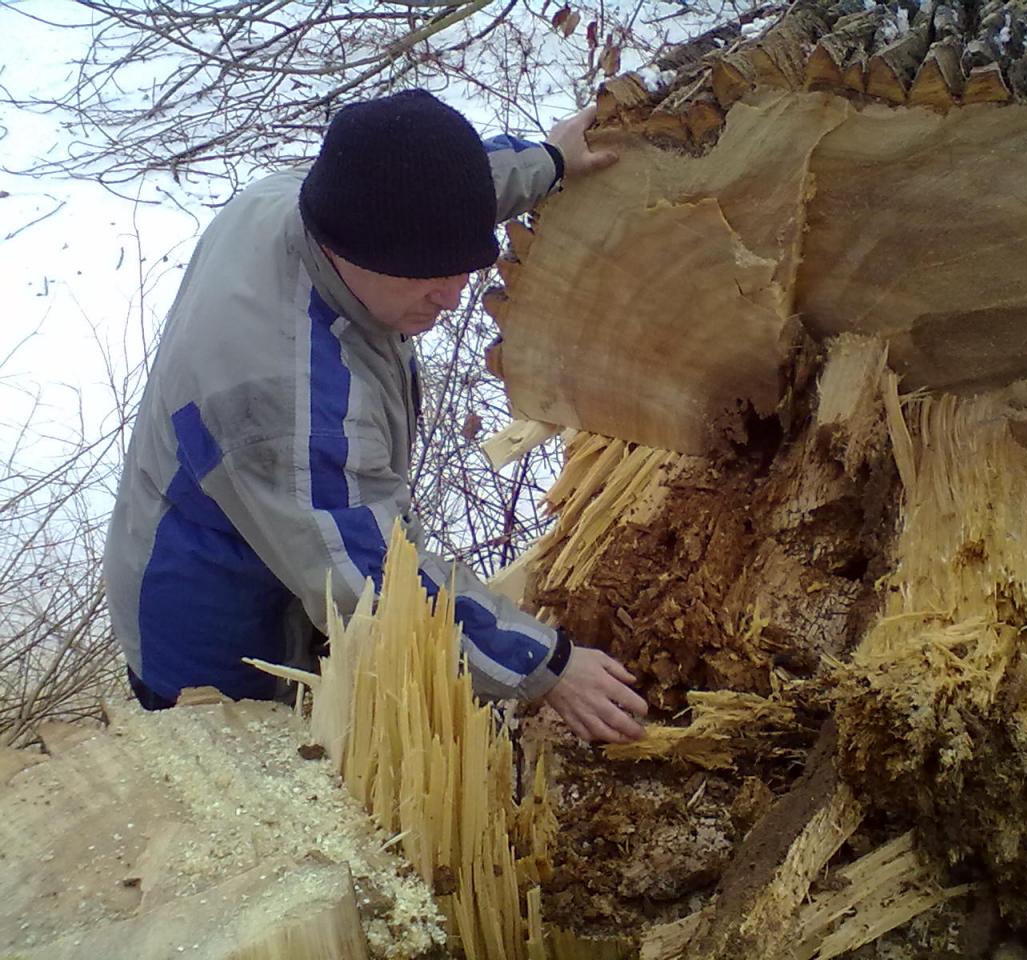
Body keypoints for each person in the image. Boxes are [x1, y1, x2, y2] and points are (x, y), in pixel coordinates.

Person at [103, 90, 648, 743]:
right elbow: (374, 584)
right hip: (213, 647)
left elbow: (426, 191)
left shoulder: (300, 202)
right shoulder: (286, 402)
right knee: (258, 792)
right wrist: (545, 666)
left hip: (279, 546)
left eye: (460, 267)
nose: (452, 297)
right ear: (350, 250)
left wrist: (548, 161)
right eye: (426, 275)